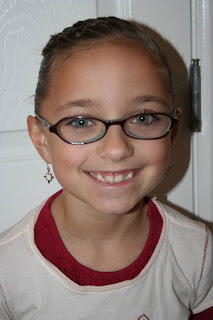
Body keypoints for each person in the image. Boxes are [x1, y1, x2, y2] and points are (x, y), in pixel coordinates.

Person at [0, 16, 212, 320]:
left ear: (171, 131)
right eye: (81, 122)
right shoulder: (7, 273)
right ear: (41, 139)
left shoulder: (198, 251)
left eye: (143, 117)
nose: (116, 149)